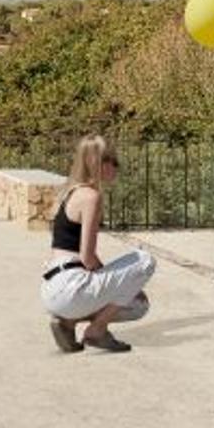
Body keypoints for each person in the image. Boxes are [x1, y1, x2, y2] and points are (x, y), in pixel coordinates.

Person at [39, 134, 156, 353]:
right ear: (98, 164)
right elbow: (88, 257)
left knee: (136, 304)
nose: (116, 168)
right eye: (113, 162)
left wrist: (123, 284)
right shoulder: (91, 197)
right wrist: (128, 285)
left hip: (52, 288)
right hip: (70, 288)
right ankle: (97, 330)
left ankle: (68, 323)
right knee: (145, 263)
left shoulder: (70, 192)